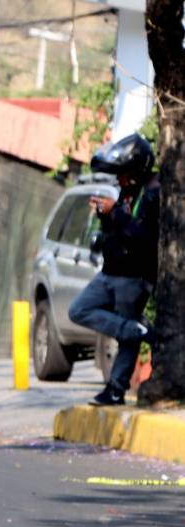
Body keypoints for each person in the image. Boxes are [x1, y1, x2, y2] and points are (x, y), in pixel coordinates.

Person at [68, 133, 158, 406]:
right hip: (109, 273)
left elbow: (144, 235)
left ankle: (115, 390)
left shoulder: (153, 192)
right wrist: (104, 217)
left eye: (123, 174)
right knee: (79, 310)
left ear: (135, 170)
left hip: (133, 277)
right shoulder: (127, 192)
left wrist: (115, 213)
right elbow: (119, 231)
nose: (119, 180)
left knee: (126, 341)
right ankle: (138, 330)